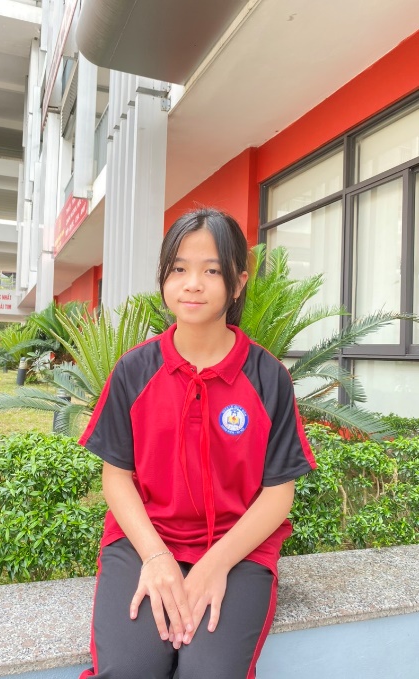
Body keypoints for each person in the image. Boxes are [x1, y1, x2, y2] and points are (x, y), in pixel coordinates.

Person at [78, 208, 317, 679]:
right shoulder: (133, 370)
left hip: (238, 548)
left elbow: (278, 492)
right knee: (130, 669)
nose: (192, 284)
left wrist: (215, 565)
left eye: (211, 271)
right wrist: (156, 557)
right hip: (144, 540)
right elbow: (117, 476)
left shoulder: (267, 377)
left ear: (238, 282)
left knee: (210, 672)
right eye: (179, 269)